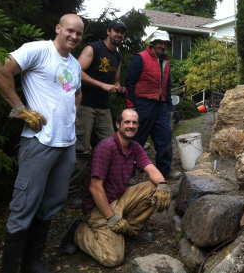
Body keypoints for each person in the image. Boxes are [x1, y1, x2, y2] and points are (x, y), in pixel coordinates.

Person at [0, 14, 83, 272]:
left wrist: (73, 117)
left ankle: (31, 262)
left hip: (66, 144)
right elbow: (0, 69)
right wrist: (21, 110)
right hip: (39, 142)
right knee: (24, 205)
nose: (74, 37)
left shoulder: (75, 65)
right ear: (58, 28)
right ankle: (10, 268)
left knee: (52, 203)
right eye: (69, 31)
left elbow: (77, 92)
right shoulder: (38, 50)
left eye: (78, 33)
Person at [60, 108, 171, 267]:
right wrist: (111, 217)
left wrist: (163, 185)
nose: (131, 126)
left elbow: (152, 170)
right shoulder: (106, 147)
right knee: (113, 259)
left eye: (134, 123)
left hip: (120, 197)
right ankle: (78, 230)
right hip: (98, 207)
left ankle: (129, 231)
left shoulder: (135, 147)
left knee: (156, 187)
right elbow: (95, 188)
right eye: (127, 122)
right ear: (118, 124)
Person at [67, 19, 126, 209]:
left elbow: (115, 80)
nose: (119, 35)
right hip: (84, 104)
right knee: (82, 151)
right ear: (108, 31)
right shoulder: (93, 48)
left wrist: (118, 89)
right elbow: (76, 71)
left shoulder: (117, 57)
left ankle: (108, 188)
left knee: (112, 147)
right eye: (116, 31)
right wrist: (102, 85)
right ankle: (70, 193)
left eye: (122, 32)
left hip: (103, 107)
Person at [125, 30, 182, 180]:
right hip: (142, 104)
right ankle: (128, 175)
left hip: (160, 106)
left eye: (165, 44)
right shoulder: (140, 59)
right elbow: (129, 84)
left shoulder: (165, 63)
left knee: (165, 137)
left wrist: (169, 107)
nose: (162, 46)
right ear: (153, 43)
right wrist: (130, 107)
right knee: (137, 139)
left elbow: (167, 88)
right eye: (160, 42)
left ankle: (164, 170)